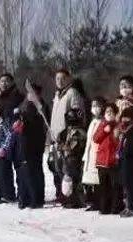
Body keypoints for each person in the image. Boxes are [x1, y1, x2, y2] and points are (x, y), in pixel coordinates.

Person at [49, 69, 86, 201]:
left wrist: (70, 132)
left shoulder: (72, 93)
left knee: (69, 168)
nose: (60, 81)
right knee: (57, 167)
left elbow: (78, 115)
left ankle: (74, 196)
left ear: (68, 78)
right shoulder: (57, 95)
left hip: (69, 137)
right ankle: (63, 194)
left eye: (63, 78)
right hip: (56, 137)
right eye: (57, 78)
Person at [18, 81, 50, 208]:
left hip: (35, 142)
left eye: (34, 93)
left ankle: (36, 198)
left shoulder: (41, 106)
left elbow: (40, 124)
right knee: (26, 170)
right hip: (24, 141)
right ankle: (26, 197)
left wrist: (25, 120)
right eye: (30, 93)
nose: (31, 95)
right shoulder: (25, 104)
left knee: (34, 170)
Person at [94, 103, 123, 215]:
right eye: (107, 112)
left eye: (111, 112)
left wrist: (116, 135)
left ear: (115, 113)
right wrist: (105, 130)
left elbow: (119, 142)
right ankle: (104, 207)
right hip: (102, 161)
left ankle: (116, 206)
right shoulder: (102, 124)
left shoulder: (118, 126)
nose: (109, 114)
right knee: (103, 186)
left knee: (115, 186)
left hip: (113, 161)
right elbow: (95, 138)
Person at [58, 108, 87, 208]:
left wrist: (65, 147)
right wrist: (60, 144)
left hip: (76, 159)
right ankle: (67, 198)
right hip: (67, 160)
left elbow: (74, 147)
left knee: (75, 180)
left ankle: (76, 200)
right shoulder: (66, 131)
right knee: (67, 179)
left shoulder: (80, 132)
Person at [82, 96, 106, 211]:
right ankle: (92, 201)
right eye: (93, 106)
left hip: (99, 154)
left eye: (97, 105)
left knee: (98, 180)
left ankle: (99, 201)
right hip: (90, 154)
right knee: (90, 180)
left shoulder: (103, 122)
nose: (95, 108)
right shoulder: (92, 122)